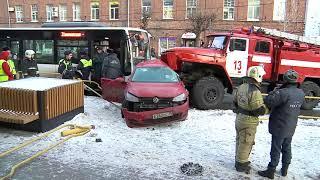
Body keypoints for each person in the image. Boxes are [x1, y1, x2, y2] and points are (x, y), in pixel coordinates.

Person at [258, 70, 305, 179]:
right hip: (291, 125)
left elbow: (269, 101)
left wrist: (274, 91)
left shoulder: (282, 92)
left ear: (285, 80)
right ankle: (285, 169)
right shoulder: (301, 93)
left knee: (276, 148)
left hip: (279, 125)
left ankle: (271, 170)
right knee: (287, 147)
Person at [233, 66, 268, 174]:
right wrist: (267, 107)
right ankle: (241, 164)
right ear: (258, 76)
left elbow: (235, 102)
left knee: (240, 141)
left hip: (239, 118)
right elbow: (258, 110)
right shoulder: (254, 90)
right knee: (246, 142)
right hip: (248, 121)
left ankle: (238, 160)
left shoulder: (241, 86)